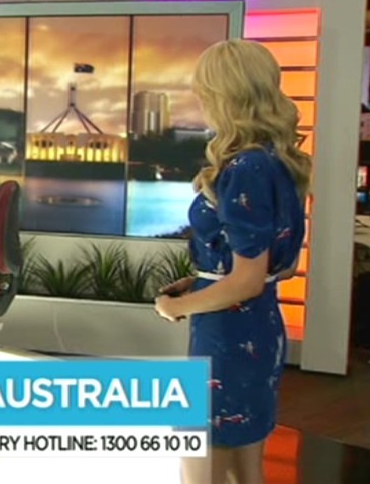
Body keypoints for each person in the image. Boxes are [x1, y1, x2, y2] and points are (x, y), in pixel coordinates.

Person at [154, 39, 311, 484]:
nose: (200, 100)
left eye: (205, 91)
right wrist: (202, 280)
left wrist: (175, 306)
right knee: (244, 466)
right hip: (260, 325)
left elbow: (246, 280)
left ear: (225, 95)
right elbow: (278, 267)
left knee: (200, 462)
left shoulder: (245, 168)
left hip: (228, 332)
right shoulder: (278, 161)